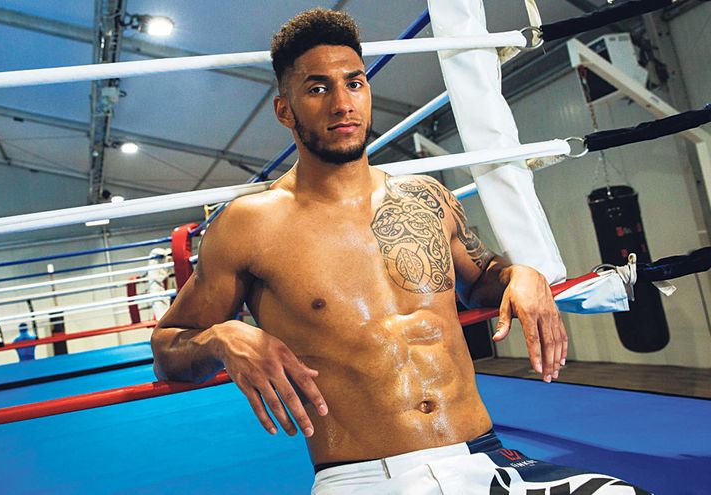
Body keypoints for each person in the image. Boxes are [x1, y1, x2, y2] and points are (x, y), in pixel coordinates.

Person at [152, 8, 648, 494]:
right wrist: (222, 337)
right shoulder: (248, 225)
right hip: (363, 478)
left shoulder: (427, 198)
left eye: (354, 83)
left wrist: (521, 275)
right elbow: (168, 349)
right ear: (285, 110)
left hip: (486, 460)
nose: (342, 104)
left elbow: (481, 279)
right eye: (318, 88)